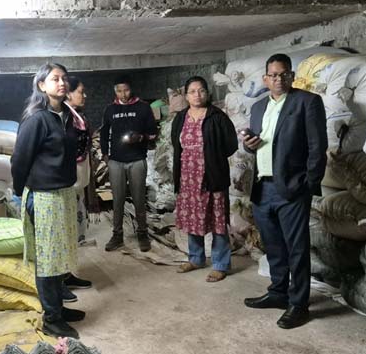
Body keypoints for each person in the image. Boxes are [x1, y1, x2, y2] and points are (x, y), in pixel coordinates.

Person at [241, 53, 327, 329]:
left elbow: (318, 147)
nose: (278, 79)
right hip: (262, 187)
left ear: (292, 76)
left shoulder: (307, 102)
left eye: (284, 74)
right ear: (265, 79)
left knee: (296, 249)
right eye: (273, 75)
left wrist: (308, 185)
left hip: (292, 188)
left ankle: (299, 304)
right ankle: (279, 292)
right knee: (274, 245)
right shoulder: (258, 107)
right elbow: (255, 145)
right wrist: (248, 145)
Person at [11, 63, 88, 339]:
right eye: (55, 79)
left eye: (64, 78)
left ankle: (58, 308)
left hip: (62, 193)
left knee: (59, 255)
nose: (62, 83)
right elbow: (19, 159)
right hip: (44, 197)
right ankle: (51, 318)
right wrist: (19, 192)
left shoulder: (65, 116)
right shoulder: (37, 120)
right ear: (41, 85)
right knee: (47, 258)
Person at [171, 76, 238, 282]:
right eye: (192, 91)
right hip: (187, 176)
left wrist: (212, 157)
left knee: (217, 220)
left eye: (201, 91)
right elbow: (176, 143)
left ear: (207, 93)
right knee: (193, 218)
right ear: (186, 95)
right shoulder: (181, 117)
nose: (197, 95)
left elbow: (231, 144)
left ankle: (220, 264)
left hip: (212, 175)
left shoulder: (217, 116)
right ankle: (196, 258)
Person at [100, 75, 157, 252]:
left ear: (131, 89)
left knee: (139, 199)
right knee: (117, 200)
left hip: (137, 160)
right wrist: (105, 154)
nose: (123, 94)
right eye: (119, 91)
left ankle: (142, 234)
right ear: (115, 91)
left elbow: (153, 133)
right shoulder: (110, 109)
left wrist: (140, 137)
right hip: (116, 161)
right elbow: (104, 133)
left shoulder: (143, 107)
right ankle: (117, 235)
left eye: (126, 90)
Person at [65, 76, 100, 249]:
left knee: (78, 204)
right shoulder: (64, 118)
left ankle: (78, 238)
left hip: (80, 170)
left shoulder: (78, 115)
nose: (84, 95)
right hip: (68, 173)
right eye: (81, 92)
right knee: (68, 208)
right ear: (69, 94)